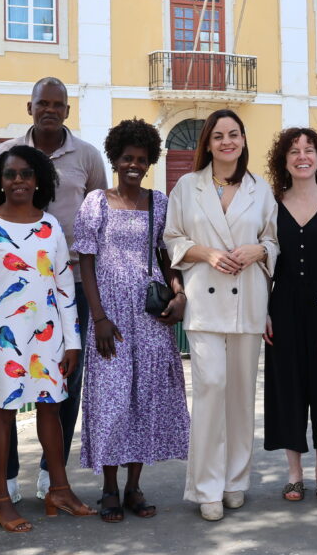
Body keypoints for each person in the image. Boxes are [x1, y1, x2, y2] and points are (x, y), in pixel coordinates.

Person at [0, 146, 95, 532]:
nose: (18, 180)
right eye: (10, 174)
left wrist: (72, 342)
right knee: (2, 413)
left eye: (26, 173)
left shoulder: (51, 226)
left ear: (39, 180)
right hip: (0, 338)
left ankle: (59, 490)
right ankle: (1, 500)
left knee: (51, 408)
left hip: (47, 336)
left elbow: (64, 288)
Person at [0, 76, 107, 501]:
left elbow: (100, 219)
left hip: (71, 283)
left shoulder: (88, 156)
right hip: (15, 285)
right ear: (30, 107)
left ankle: (50, 471)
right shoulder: (6, 153)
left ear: (67, 111)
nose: (50, 110)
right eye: (43, 103)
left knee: (66, 378)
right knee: (7, 377)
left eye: (58, 105)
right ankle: (6, 477)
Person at [163, 109, 279, 522]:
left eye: (233, 134)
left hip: (249, 299)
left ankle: (235, 481)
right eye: (218, 136)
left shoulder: (260, 189)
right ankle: (207, 486)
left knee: (241, 396)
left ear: (243, 140)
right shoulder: (187, 186)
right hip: (205, 300)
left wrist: (258, 250)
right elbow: (172, 238)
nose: (227, 141)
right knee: (211, 388)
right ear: (208, 144)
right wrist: (207, 253)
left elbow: (273, 241)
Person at [74, 118, 190, 523]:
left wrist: (179, 294)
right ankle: (108, 487)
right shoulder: (96, 202)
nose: (134, 166)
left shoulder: (159, 202)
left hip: (149, 314)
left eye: (141, 159)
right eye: (127, 158)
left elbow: (166, 257)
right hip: (110, 315)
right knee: (112, 400)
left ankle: (134, 487)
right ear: (115, 158)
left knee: (145, 398)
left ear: (150, 161)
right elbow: (86, 262)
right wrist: (99, 317)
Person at [263, 128, 317, 502]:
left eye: (309, 150)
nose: (302, 156)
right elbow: (264, 260)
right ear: (284, 160)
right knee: (288, 387)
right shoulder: (271, 203)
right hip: (283, 307)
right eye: (294, 151)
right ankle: (294, 474)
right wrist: (263, 310)